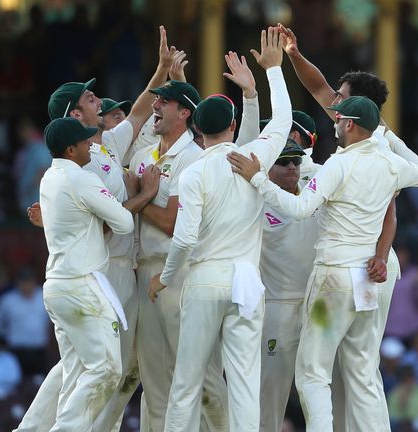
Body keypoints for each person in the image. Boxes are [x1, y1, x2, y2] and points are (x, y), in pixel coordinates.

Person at [228, 95, 418, 431]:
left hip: (335, 276)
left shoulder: (338, 163)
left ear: (349, 125)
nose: (334, 124)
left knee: (312, 373)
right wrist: (390, 138)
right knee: (363, 370)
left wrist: (258, 178)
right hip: (367, 279)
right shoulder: (390, 163)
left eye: (338, 120)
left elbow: (299, 209)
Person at [18, 26, 173, 432]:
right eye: (89, 98)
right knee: (107, 368)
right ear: (74, 115)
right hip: (102, 272)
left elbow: (139, 112)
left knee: (92, 367)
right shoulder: (81, 164)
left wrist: (161, 70)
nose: (98, 99)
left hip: (118, 268)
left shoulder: (100, 147)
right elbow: (104, 224)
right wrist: (144, 194)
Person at [148, 27, 290, 432]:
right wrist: (270, 74)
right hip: (246, 280)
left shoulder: (191, 174)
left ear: (198, 131)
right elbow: (280, 121)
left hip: (205, 280)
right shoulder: (252, 157)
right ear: (233, 126)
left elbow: (185, 238)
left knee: (187, 381)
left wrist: (165, 278)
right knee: (244, 381)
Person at [131, 51, 263, 432]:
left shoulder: (195, 157)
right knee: (154, 380)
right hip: (146, 273)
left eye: (165, 102)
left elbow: (174, 224)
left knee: (202, 380)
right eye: (157, 99)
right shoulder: (143, 153)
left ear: (185, 113)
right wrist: (163, 73)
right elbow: (131, 121)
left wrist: (139, 200)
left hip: (181, 275)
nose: (156, 106)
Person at [18, 116, 133, 431]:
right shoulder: (82, 179)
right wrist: (142, 193)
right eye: (84, 141)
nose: (90, 145)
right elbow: (125, 223)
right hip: (82, 286)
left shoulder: (49, 177)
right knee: (108, 368)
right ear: (70, 149)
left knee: (76, 370)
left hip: (57, 286)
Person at [277, 23, 402, 285]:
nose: (333, 102)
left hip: (375, 262)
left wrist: (380, 257)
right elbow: (317, 86)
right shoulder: (353, 124)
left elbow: (390, 212)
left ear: (358, 105)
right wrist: (294, 54)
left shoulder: (380, 144)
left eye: (340, 97)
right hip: (356, 260)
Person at [256, 141, 320, 432]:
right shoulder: (256, 202)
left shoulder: (314, 196)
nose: (292, 167)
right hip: (275, 306)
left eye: (296, 161)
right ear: (268, 167)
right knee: (270, 392)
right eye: (283, 162)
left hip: (315, 306)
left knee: (319, 391)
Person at [0, 268, 50, 376]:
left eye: (29, 281)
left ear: (34, 281)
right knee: (17, 383)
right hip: (16, 351)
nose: (26, 284)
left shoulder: (45, 296)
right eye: (23, 281)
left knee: (40, 384)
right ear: (18, 283)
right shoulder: (8, 300)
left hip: (39, 351)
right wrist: (5, 336)